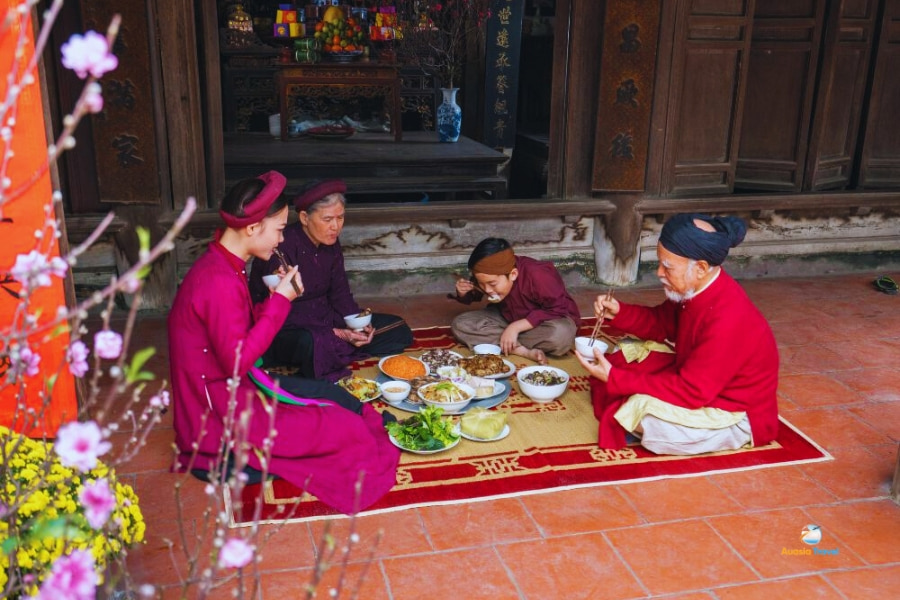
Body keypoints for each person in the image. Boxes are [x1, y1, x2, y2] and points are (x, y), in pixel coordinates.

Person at [168, 171, 399, 514]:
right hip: (219, 409)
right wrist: (281, 302)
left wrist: (271, 298)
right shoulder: (217, 280)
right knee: (339, 429)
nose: (280, 239)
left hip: (234, 387)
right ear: (251, 228)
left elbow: (235, 331)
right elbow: (237, 361)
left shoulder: (225, 265)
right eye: (278, 229)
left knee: (331, 395)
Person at [576, 213, 779, 456]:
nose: (660, 273)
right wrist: (619, 312)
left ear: (701, 268)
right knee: (628, 349)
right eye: (660, 263)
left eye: (668, 267)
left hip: (730, 410)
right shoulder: (696, 289)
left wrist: (616, 379)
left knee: (644, 413)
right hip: (699, 379)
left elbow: (692, 391)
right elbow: (662, 323)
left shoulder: (728, 318)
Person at [249, 179, 413, 382]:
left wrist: (357, 323)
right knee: (312, 342)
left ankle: (335, 350)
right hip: (291, 326)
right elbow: (276, 309)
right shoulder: (280, 246)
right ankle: (330, 351)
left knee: (398, 328)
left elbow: (340, 292)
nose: (335, 227)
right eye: (327, 219)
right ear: (304, 218)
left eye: (340, 218)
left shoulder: (331, 244)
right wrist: (335, 333)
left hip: (327, 318)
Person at [450, 237, 581, 364]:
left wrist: (515, 328)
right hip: (506, 316)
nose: (487, 290)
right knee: (460, 324)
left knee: (561, 336)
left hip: (544, 322)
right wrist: (464, 292)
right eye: (482, 283)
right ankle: (520, 350)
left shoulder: (538, 274)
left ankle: (505, 341)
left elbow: (558, 308)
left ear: (513, 274)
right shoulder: (487, 272)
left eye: (493, 284)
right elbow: (476, 293)